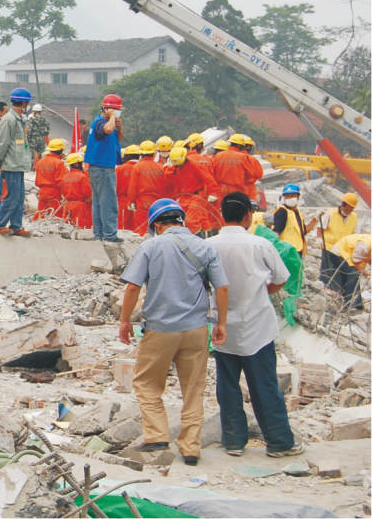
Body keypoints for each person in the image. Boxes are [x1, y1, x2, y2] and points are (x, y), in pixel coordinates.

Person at [119, 199, 230, 467]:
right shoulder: (205, 246)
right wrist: (221, 324)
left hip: (160, 329)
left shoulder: (150, 246)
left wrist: (124, 321)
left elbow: (133, 287)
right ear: (182, 220)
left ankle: (157, 435)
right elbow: (222, 288)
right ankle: (191, 448)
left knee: (147, 383)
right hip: (195, 329)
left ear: (157, 224)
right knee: (193, 388)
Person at [207, 192, 304, 459]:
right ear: (248, 215)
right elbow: (282, 278)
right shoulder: (260, 244)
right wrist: (261, 292)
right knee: (264, 386)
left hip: (222, 327)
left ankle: (234, 441)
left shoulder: (209, 245)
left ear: (223, 214)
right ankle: (279, 441)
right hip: (257, 327)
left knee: (227, 386)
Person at [0, 87, 34, 237]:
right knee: (13, 196)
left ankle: (16, 226)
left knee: (20, 196)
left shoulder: (18, 120)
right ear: (23, 104)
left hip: (18, 164)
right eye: (27, 103)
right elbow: (3, 143)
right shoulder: (9, 120)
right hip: (11, 165)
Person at [84, 94, 125, 242]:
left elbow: (118, 138)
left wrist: (119, 125)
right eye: (116, 110)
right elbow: (107, 130)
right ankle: (109, 235)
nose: (118, 113)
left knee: (99, 203)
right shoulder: (101, 122)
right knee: (108, 203)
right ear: (108, 109)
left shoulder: (109, 123)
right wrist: (112, 116)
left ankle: (99, 235)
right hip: (102, 168)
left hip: (99, 168)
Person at [164, 146, 219, 235]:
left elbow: (208, 178)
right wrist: (178, 196)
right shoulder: (177, 168)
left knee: (191, 221)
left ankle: (194, 239)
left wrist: (213, 193)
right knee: (180, 219)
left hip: (197, 195)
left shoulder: (195, 165)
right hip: (184, 196)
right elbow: (177, 183)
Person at [318, 193, 360, 288]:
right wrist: (319, 238)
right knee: (327, 268)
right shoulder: (330, 213)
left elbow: (355, 233)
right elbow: (321, 226)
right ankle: (325, 287)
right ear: (343, 205)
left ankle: (338, 289)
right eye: (347, 209)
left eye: (351, 210)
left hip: (343, 250)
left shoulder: (354, 216)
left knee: (341, 270)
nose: (348, 211)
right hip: (329, 246)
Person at [128, 141, 166, 236]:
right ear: (154, 153)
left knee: (142, 228)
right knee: (156, 225)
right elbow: (162, 187)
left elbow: (133, 187)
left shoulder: (137, 167)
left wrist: (131, 201)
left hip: (142, 201)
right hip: (156, 200)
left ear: (141, 153)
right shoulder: (160, 167)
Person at [327, 233, 371, 311]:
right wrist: (365, 273)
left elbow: (369, 258)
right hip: (338, 254)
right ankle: (348, 304)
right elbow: (355, 261)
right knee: (352, 274)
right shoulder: (364, 246)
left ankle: (357, 304)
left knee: (353, 275)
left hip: (347, 254)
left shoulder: (369, 245)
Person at [273, 184, 316, 255]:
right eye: (287, 196)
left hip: (298, 250)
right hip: (287, 251)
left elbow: (303, 231)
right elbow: (276, 232)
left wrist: (315, 219)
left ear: (298, 197)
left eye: (293, 195)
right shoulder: (282, 212)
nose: (290, 198)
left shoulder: (297, 212)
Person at [33, 139, 67, 220]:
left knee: (41, 214)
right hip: (54, 191)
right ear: (59, 150)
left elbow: (37, 180)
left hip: (42, 191)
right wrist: (65, 194)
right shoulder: (59, 163)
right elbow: (60, 181)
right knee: (55, 215)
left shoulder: (40, 161)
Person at [212, 134, 252, 199]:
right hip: (237, 188)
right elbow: (250, 174)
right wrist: (241, 179)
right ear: (239, 145)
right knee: (235, 207)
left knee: (222, 207)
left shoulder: (219, 155)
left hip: (222, 188)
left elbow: (213, 172)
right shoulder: (243, 157)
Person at [59, 152, 92, 229]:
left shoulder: (65, 177)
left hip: (67, 204)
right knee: (80, 227)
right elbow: (87, 193)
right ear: (77, 164)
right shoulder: (82, 177)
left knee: (67, 227)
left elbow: (63, 192)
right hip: (79, 205)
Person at [116, 145, 140, 232]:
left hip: (123, 200)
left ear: (127, 156)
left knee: (122, 227)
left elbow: (116, 187)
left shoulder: (120, 168)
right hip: (140, 200)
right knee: (138, 227)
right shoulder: (141, 168)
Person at [238, 135, 263, 199]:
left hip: (235, 188)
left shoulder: (234, 158)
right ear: (249, 146)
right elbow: (259, 174)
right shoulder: (253, 160)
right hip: (249, 188)